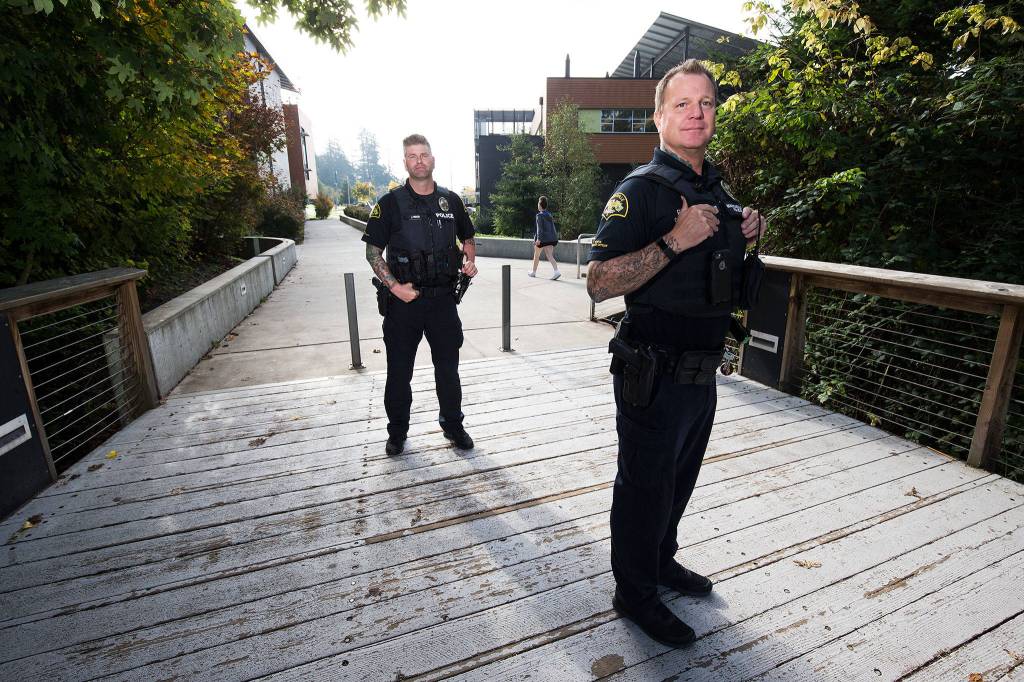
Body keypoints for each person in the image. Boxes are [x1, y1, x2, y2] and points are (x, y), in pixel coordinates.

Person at [586, 59, 766, 648]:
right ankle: (633, 593)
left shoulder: (717, 191)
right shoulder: (638, 192)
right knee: (643, 485)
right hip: (652, 370)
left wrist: (747, 235)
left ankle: (660, 563)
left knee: (678, 481)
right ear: (660, 118)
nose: (696, 113)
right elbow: (599, 282)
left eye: (707, 103)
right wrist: (673, 240)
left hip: (702, 370)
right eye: (683, 104)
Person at [363, 134, 478, 456]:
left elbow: (468, 237)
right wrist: (394, 287)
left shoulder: (451, 201)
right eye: (412, 156)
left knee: (448, 370)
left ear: (432, 159)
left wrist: (470, 260)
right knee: (399, 372)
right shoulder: (389, 203)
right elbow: (373, 252)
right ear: (405, 162)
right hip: (404, 304)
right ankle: (397, 432)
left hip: (443, 301)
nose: (419, 161)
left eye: (424, 155)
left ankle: (453, 426)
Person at [529, 196, 561, 280]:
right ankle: (556, 271)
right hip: (551, 239)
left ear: (540, 205)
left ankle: (533, 272)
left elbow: (540, 228)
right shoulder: (549, 215)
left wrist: (538, 239)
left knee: (536, 255)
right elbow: (552, 227)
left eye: (538, 203)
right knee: (550, 255)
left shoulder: (539, 215)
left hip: (542, 239)